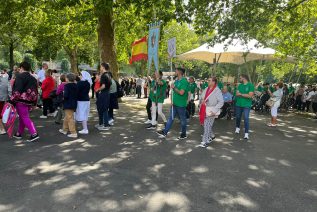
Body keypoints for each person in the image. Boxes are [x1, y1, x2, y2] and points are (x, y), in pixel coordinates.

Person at [157, 67, 189, 139]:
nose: (175, 72)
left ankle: (183, 134)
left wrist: (174, 87)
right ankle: (165, 132)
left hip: (181, 105)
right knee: (170, 118)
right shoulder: (176, 80)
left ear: (180, 72)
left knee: (183, 120)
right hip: (174, 104)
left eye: (176, 71)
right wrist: (171, 101)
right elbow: (173, 92)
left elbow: (181, 92)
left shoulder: (184, 81)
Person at [11, 61, 39, 142]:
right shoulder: (33, 78)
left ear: (22, 68)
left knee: (24, 117)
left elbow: (17, 90)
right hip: (30, 101)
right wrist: (34, 103)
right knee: (23, 117)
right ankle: (19, 133)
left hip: (21, 100)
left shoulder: (20, 76)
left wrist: (11, 100)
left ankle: (34, 133)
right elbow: (36, 91)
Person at [199, 77, 224, 148]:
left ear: (214, 82)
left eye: (209, 80)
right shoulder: (206, 89)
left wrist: (214, 110)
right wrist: (202, 101)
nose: (208, 81)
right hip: (204, 109)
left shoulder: (217, 90)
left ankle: (204, 141)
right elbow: (202, 98)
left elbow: (221, 102)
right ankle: (212, 136)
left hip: (211, 110)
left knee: (206, 125)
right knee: (207, 125)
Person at [235, 74, 254, 140]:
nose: (239, 79)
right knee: (238, 117)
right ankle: (237, 127)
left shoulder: (250, 85)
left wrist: (241, 94)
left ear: (244, 78)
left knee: (246, 118)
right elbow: (237, 94)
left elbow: (250, 96)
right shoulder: (240, 85)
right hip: (238, 104)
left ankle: (246, 133)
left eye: (240, 78)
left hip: (246, 105)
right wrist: (245, 95)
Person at [59, 73, 78, 138]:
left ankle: (73, 132)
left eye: (66, 77)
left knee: (69, 118)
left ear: (67, 79)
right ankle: (65, 129)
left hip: (68, 103)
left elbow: (66, 95)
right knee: (67, 117)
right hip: (74, 103)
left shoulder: (67, 86)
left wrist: (63, 96)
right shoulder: (75, 85)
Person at [96, 63, 112, 131]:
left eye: (101, 67)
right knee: (104, 108)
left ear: (103, 67)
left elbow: (103, 86)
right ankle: (102, 123)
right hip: (107, 93)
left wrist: (98, 89)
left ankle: (104, 124)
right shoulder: (109, 74)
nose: (100, 68)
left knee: (102, 108)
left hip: (103, 93)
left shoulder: (104, 75)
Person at [0, 70, 12, 135]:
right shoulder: (6, 76)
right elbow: (9, 88)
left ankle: (2, 128)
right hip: (3, 98)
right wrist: (10, 97)